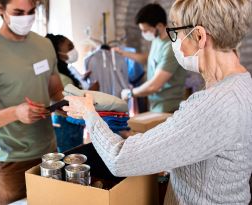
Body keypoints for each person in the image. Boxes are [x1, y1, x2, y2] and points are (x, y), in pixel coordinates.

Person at [63, 0, 252, 204]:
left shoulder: (214, 104)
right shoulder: (243, 83)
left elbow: (120, 160)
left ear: (199, 36)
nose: (175, 42)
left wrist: (89, 114)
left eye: (176, 33)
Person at [0, 0, 63, 204]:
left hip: (50, 153)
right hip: (11, 161)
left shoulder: (44, 45)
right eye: (18, 12)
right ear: (1, 8)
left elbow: (56, 91)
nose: (26, 18)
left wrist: (74, 105)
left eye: (31, 12)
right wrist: (15, 113)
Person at [113, 3, 187, 113]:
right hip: (155, 104)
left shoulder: (171, 46)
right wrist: (124, 54)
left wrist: (130, 93)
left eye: (146, 30)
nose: (144, 34)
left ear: (159, 26)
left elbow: (154, 86)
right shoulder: (157, 39)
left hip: (168, 107)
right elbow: (149, 59)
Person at [45, 34, 85, 152]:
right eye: (69, 46)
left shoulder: (66, 71)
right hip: (64, 121)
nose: (73, 50)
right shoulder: (57, 76)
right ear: (57, 51)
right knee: (68, 158)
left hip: (72, 120)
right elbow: (61, 100)